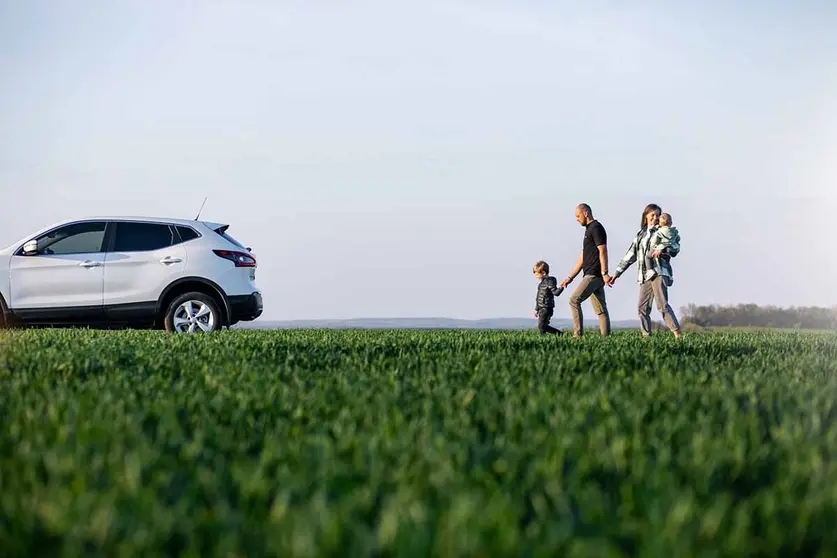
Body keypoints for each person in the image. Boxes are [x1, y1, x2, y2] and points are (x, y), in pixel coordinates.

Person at [608, 204, 682, 338]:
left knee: (662, 305)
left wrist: (663, 250)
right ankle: (647, 337)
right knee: (642, 308)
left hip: (659, 271)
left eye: (657, 215)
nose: (655, 218)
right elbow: (630, 256)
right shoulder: (640, 235)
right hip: (644, 275)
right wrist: (616, 274)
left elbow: (676, 248)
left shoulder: (664, 231)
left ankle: (677, 334)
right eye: (652, 215)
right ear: (646, 216)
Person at [559, 203, 612, 337]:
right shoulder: (588, 230)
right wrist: (570, 278)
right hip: (591, 274)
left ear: (586, 213)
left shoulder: (596, 228)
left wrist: (604, 273)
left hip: (594, 274)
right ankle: (606, 338)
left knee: (574, 300)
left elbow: (603, 250)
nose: (576, 219)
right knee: (600, 309)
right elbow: (583, 257)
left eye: (578, 216)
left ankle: (577, 336)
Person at [643, 212, 680, 284]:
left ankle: (650, 270)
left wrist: (655, 247)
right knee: (667, 262)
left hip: (659, 248)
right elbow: (678, 239)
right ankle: (670, 276)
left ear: (660, 223)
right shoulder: (674, 232)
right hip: (668, 249)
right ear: (671, 222)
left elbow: (654, 242)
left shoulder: (659, 231)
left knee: (647, 256)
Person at [532, 260, 564, 335]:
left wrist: (562, 287)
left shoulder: (550, 281)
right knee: (542, 326)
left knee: (541, 326)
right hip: (541, 308)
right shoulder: (541, 284)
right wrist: (536, 309)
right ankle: (559, 334)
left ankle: (559, 334)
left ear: (543, 273)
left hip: (547, 308)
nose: (536, 276)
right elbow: (538, 298)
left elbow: (556, 293)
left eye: (537, 274)